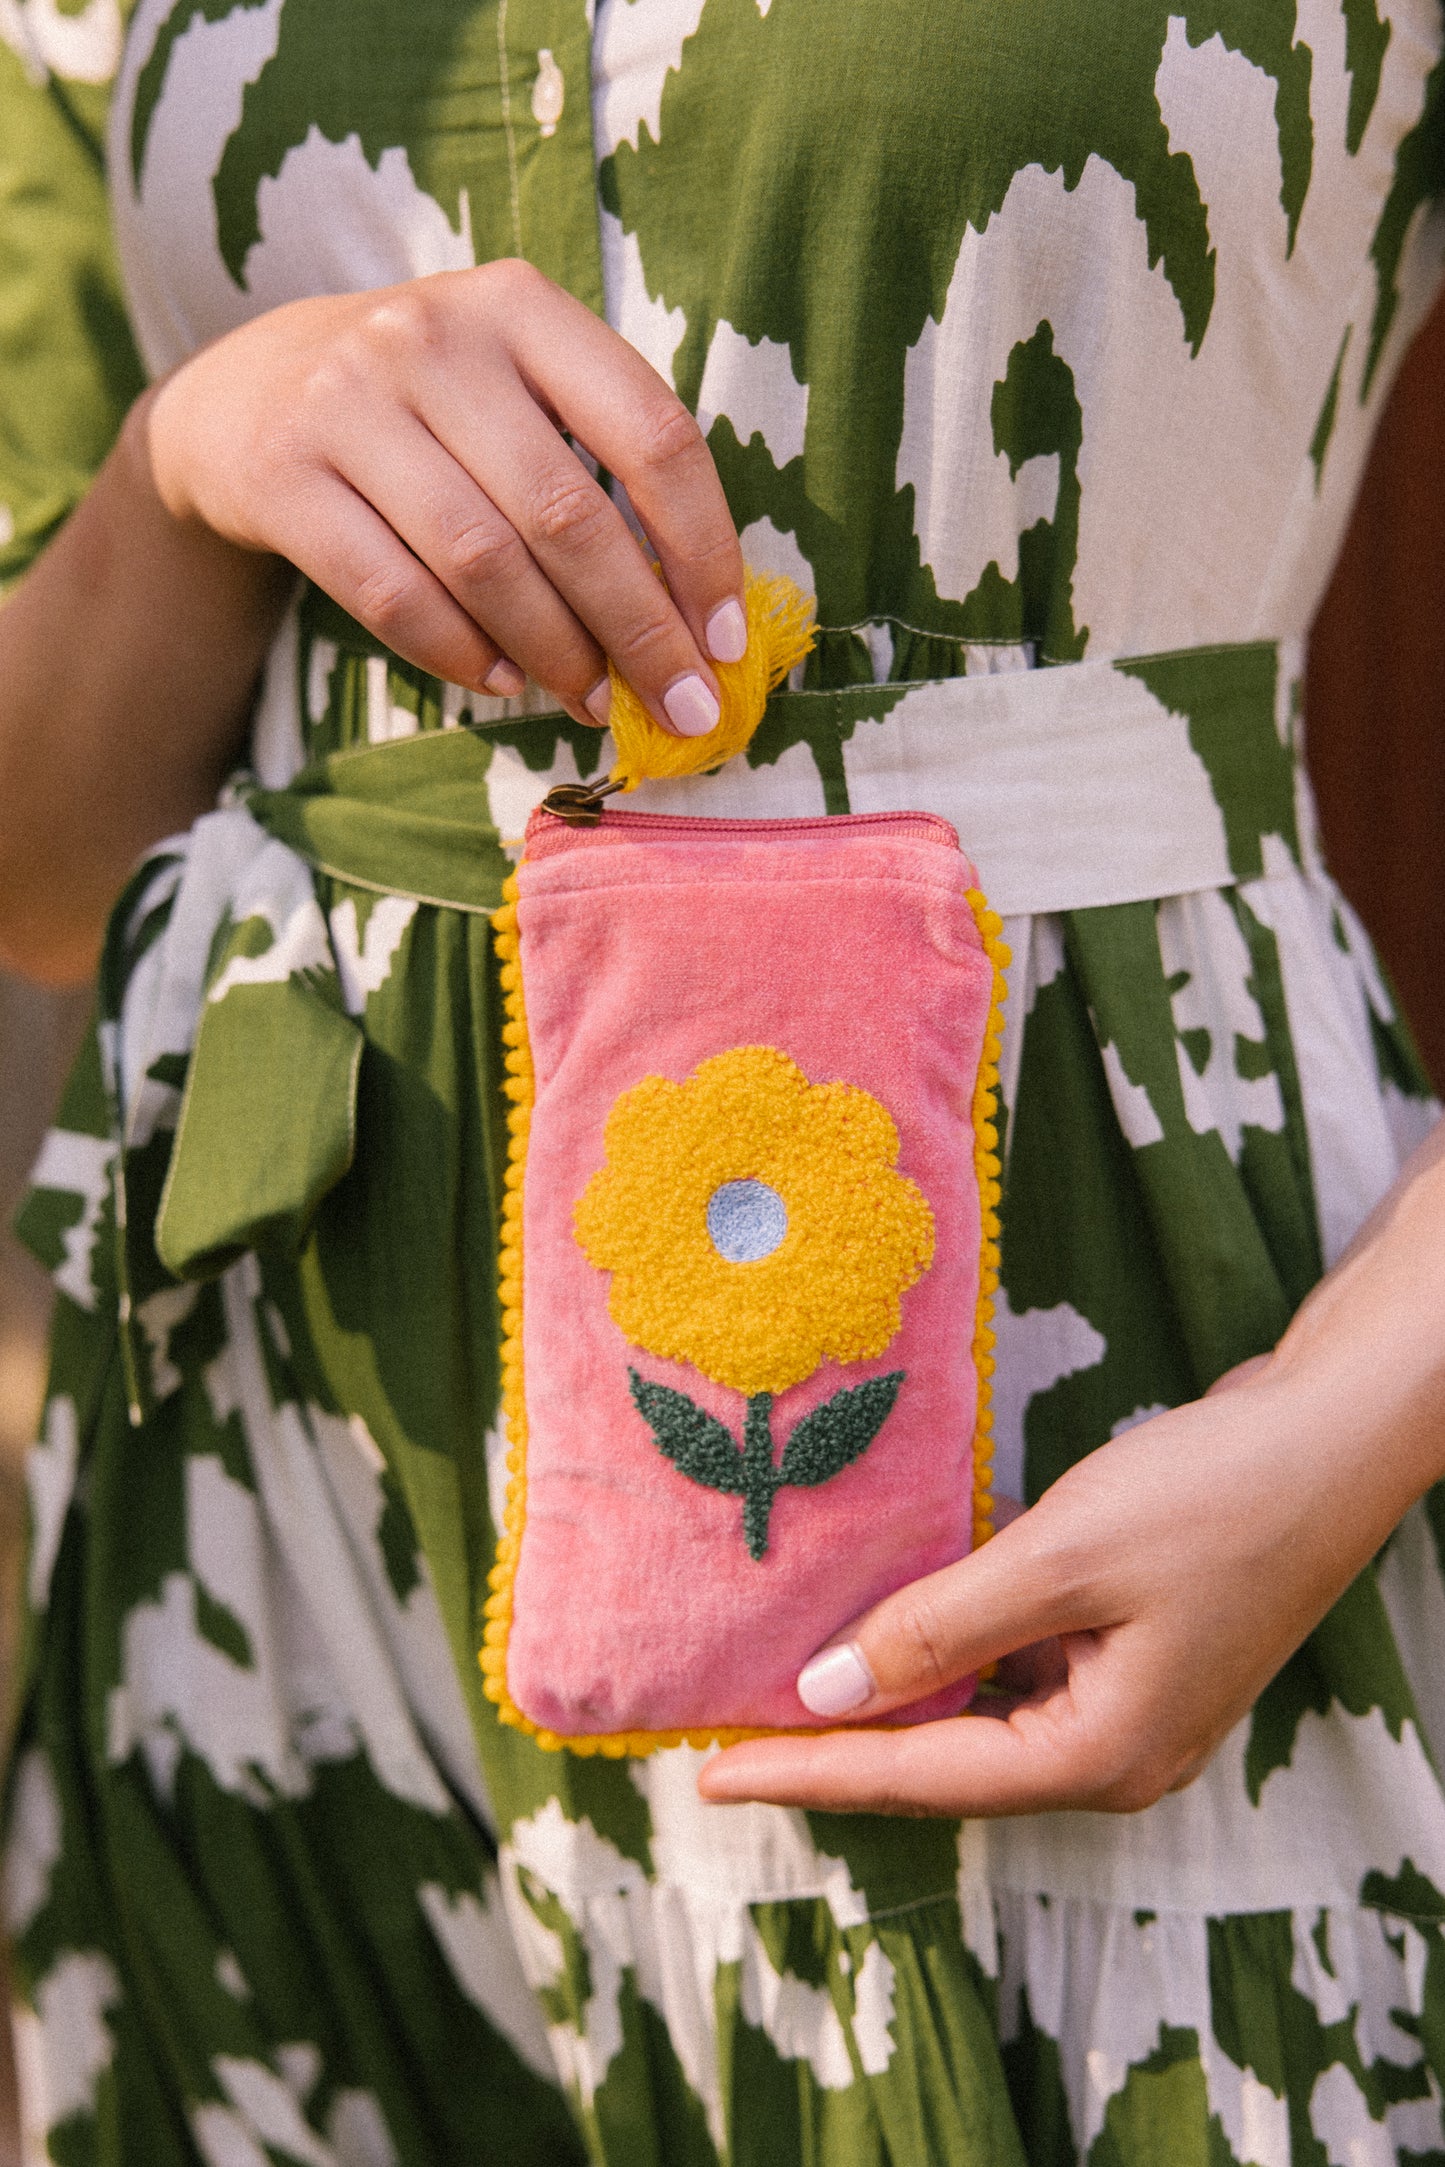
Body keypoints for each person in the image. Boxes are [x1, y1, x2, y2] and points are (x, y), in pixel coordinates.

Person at [2, 0, 1444, 2160]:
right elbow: (41, 860)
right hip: (281, 1573)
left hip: (1136, 1477)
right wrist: (191, 457)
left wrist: (1345, 1432)